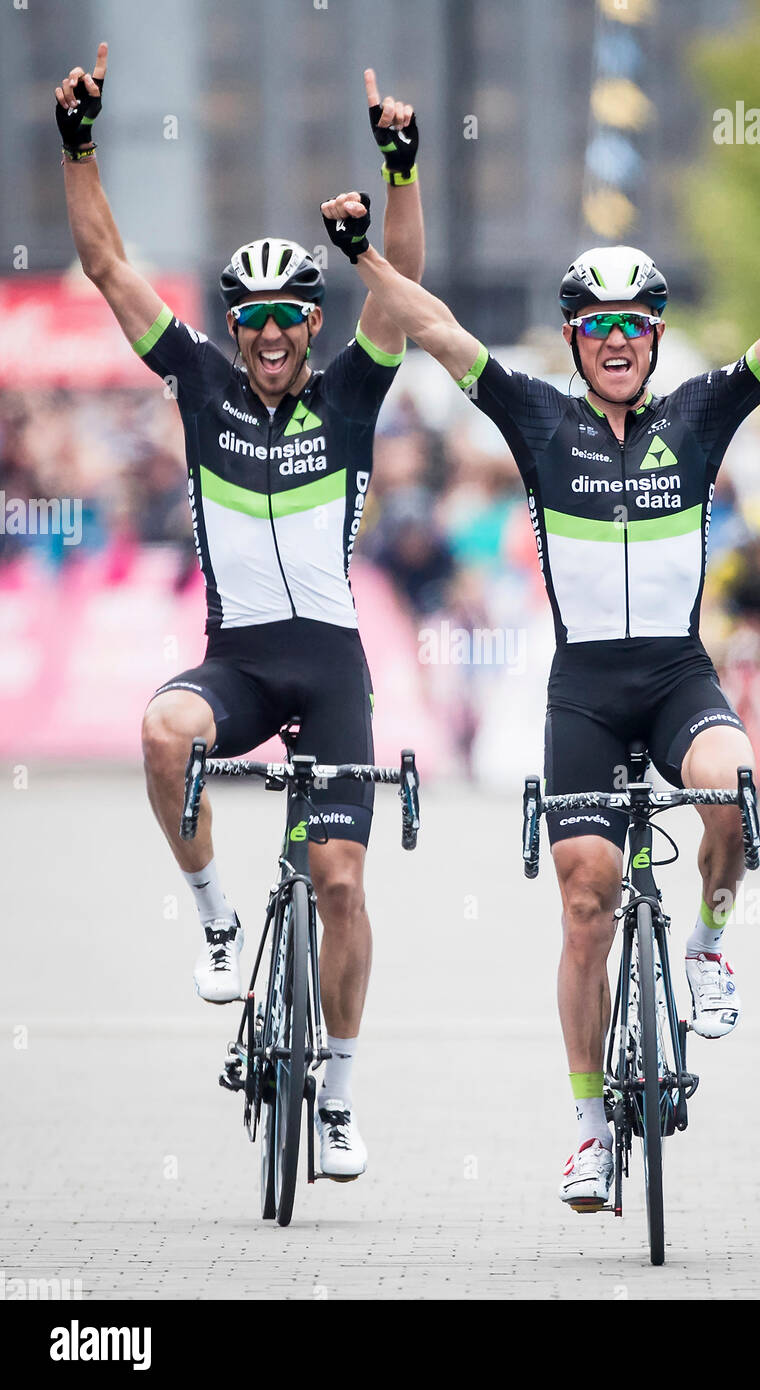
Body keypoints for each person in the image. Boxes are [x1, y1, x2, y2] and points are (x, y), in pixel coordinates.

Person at [319, 185, 760, 1209]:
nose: (616, 342)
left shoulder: (701, 415)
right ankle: (587, 1130)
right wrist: (362, 254)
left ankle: (710, 950)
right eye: (598, 328)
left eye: (633, 326)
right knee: (587, 904)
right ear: (576, 342)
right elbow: (441, 333)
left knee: (733, 785)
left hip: (677, 677)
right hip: (583, 690)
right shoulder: (537, 419)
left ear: (654, 336)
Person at [56, 45, 424, 1181]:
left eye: (289, 318)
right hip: (242, 669)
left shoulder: (353, 391)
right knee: (165, 732)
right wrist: (78, 143)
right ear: (235, 324)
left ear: (313, 326)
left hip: (332, 677)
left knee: (343, 881)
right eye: (253, 318)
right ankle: (218, 919)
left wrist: (399, 172)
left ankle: (344, 1096)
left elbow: (403, 291)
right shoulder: (202, 385)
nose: (270, 336)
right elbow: (110, 266)